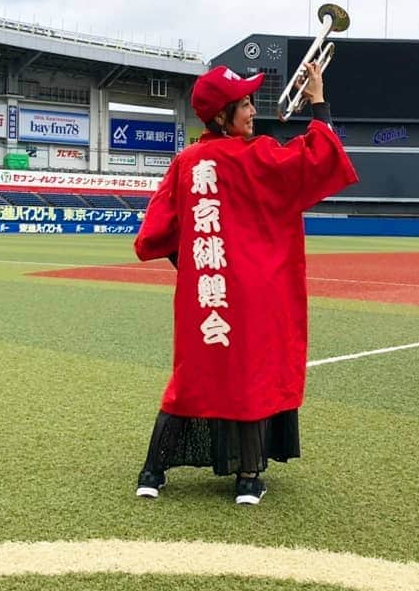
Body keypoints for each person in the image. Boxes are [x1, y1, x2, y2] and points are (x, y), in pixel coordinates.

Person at [133, 61, 358, 505]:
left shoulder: (186, 162)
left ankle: (153, 472)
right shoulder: (258, 155)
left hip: (204, 294)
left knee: (194, 374)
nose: (253, 110)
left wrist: (194, 265)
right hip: (255, 294)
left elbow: (154, 235)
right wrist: (317, 99)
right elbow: (320, 157)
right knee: (252, 373)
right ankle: (249, 477)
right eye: (245, 103)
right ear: (222, 115)